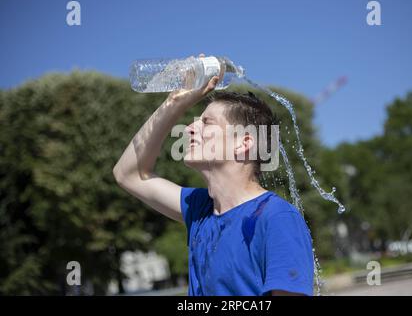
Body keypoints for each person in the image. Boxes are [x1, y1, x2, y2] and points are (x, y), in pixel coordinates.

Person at [113, 55, 314, 296]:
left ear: (244, 143)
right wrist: (175, 101)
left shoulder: (276, 217)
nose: (189, 128)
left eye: (207, 122)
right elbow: (128, 174)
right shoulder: (200, 210)